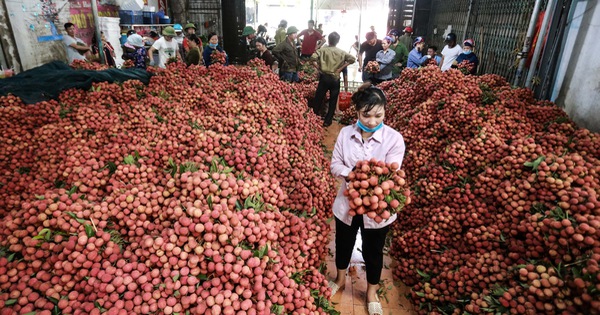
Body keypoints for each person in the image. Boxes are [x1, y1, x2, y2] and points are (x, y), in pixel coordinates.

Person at [329, 83, 405, 315]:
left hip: (377, 209)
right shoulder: (345, 134)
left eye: (378, 115)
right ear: (357, 112)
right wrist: (352, 174)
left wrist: (371, 180)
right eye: (366, 115)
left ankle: (372, 292)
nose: (372, 121)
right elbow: (335, 165)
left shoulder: (394, 138)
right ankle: (340, 279)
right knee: (343, 245)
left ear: (385, 112)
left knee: (373, 252)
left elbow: (392, 174)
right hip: (346, 205)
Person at [309, 32, 356, 127]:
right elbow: (352, 59)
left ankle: (313, 117)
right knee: (333, 100)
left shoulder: (322, 50)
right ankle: (328, 121)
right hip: (335, 78)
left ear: (329, 40)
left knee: (318, 98)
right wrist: (341, 68)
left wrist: (319, 68)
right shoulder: (341, 52)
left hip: (324, 77)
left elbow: (312, 58)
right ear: (337, 41)